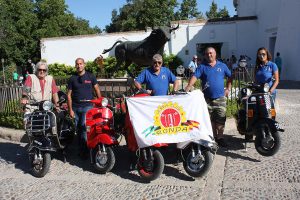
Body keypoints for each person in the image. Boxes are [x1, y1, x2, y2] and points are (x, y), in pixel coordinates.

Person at [185, 47, 232, 147]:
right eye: (207, 54)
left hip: (220, 98)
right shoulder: (202, 67)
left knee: (220, 119)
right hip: (207, 99)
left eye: (211, 53)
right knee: (210, 119)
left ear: (215, 54)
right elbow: (195, 76)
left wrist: (228, 88)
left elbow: (230, 76)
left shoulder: (222, 66)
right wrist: (189, 86)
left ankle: (220, 138)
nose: (209, 55)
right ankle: (213, 137)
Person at [67, 58, 101, 159]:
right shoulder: (72, 78)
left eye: (81, 64)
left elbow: (97, 89)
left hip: (88, 106)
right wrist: (70, 110)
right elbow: (68, 95)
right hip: (76, 108)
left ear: (84, 65)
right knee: (79, 129)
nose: (79, 66)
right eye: (77, 64)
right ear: (75, 66)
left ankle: (87, 150)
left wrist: (100, 102)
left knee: (84, 128)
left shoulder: (90, 76)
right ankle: (82, 150)